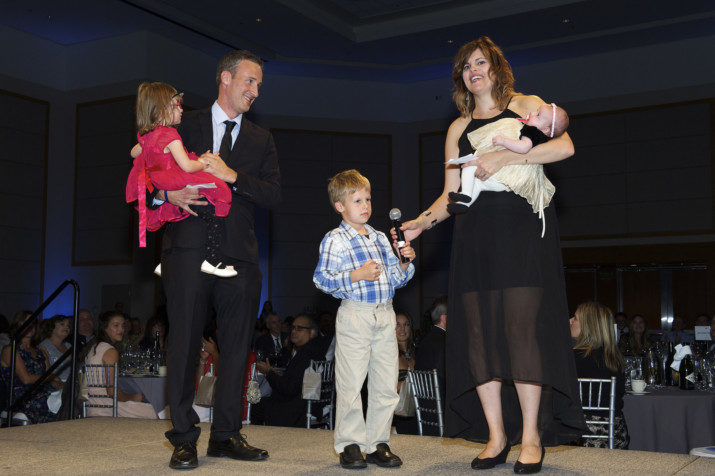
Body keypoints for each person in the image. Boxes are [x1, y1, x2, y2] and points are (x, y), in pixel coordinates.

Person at [394, 36, 585, 473]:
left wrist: (504, 158)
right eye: (465, 66)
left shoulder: (526, 105)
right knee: (478, 337)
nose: (473, 70)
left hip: (520, 235)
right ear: (460, 77)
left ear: (496, 67)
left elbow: (565, 147)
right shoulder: (458, 129)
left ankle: (531, 437)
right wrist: (421, 223)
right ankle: (497, 437)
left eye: (480, 62)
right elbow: (450, 194)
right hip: (473, 238)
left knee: (522, 334)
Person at [149, 49, 280, 469]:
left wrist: (232, 176)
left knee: (238, 348)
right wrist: (164, 194)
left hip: (239, 256)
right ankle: (184, 437)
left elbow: (274, 195)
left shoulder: (262, 139)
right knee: (184, 342)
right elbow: (144, 170)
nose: (255, 91)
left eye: (259, 84)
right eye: (249, 81)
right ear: (225, 78)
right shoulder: (181, 124)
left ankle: (226, 434)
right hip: (186, 250)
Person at [313, 169, 415, 469]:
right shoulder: (335, 239)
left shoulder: (381, 237)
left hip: (385, 313)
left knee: (385, 382)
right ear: (339, 206)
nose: (365, 206)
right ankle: (350, 444)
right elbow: (322, 279)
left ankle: (378, 442)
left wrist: (404, 261)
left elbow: (396, 279)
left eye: (367, 199)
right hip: (355, 313)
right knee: (351, 382)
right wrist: (356, 275)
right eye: (357, 200)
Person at [126, 82, 236, 278]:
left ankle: (165, 262)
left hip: (160, 180)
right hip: (175, 179)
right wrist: (203, 162)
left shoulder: (148, 135)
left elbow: (134, 152)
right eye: (177, 105)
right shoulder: (171, 135)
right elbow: (187, 166)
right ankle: (212, 260)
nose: (181, 110)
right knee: (214, 209)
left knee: (178, 211)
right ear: (161, 110)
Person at [448, 103, 569, 233]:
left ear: (545, 129)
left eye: (538, 115)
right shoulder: (539, 133)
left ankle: (465, 195)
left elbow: (524, 147)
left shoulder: (533, 131)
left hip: (506, 176)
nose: (533, 113)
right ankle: (463, 204)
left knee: (469, 168)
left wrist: (503, 141)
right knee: (478, 183)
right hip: (507, 181)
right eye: (536, 111)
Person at [570, 302, 629, 449]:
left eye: (575, 318)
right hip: (614, 434)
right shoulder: (614, 358)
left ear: (589, 325)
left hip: (579, 434)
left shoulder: (571, 358)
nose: (570, 320)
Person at [81, 311, 157, 419]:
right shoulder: (110, 351)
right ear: (104, 327)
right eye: (116, 326)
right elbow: (111, 391)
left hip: (91, 405)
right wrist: (132, 397)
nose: (121, 329)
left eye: (123, 326)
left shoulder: (93, 347)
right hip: (107, 407)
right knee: (156, 411)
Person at [255, 315, 325, 427]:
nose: (293, 331)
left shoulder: (307, 354)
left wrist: (268, 373)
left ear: (311, 333)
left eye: (299, 328)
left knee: (256, 403)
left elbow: (288, 388)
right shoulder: (314, 350)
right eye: (292, 328)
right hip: (304, 403)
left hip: (296, 409)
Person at [0, 310, 61, 423]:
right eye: (25, 322)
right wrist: (49, 379)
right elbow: (26, 379)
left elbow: (49, 374)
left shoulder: (39, 350)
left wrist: (60, 383)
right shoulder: (11, 350)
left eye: (32, 323)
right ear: (17, 325)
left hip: (43, 390)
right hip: (23, 396)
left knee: (70, 394)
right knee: (58, 401)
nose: (29, 326)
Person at [415, 295, 447, 406]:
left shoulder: (427, 341)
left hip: (426, 409)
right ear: (444, 318)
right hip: (442, 410)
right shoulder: (445, 343)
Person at [393, 310, 418, 435]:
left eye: (406, 324)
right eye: (397, 324)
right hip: (397, 410)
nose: (402, 328)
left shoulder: (417, 352)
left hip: (417, 407)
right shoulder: (388, 354)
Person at [38, 314, 72, 382]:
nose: (66, 327)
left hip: (69, 385)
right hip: (53, 385)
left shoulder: (69, 346)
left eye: (68, 326)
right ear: (52, 327)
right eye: (62, 324)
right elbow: (42, 372)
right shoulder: (44, 346)